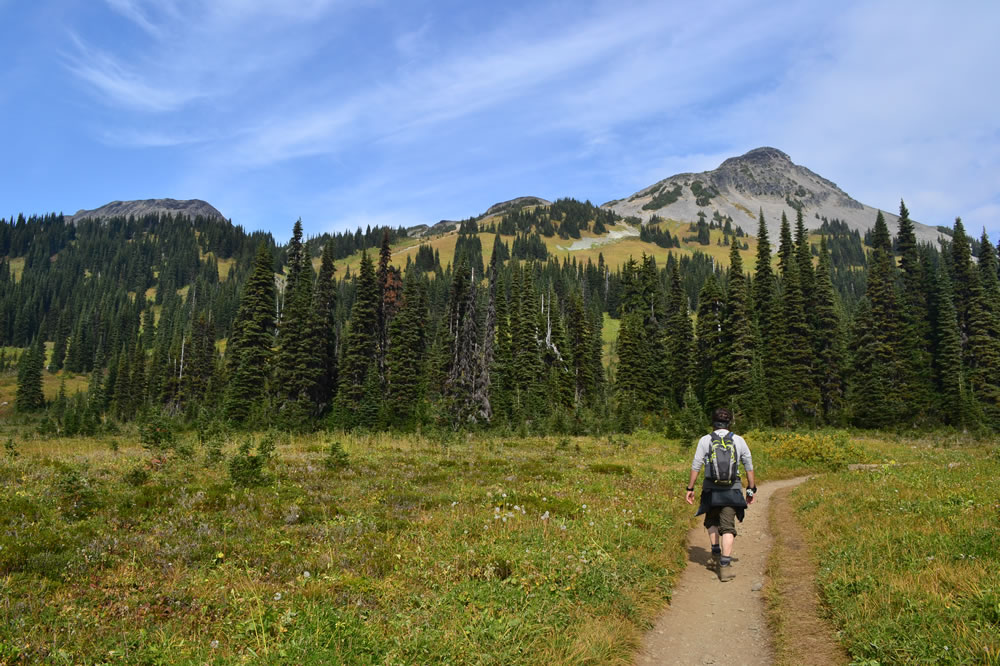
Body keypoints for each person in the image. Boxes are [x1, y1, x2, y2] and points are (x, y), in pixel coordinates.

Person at [684, 407, 756, 582]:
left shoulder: (705, 440)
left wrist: (690, 488)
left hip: (711, 489)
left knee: (711, 521)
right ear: (729, 422)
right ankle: (725, 566)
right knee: (728, 527)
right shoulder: (739, 440)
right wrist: (751, 488)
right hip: (732, 489)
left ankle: (715, 555)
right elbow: (748, 466)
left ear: (713, 422)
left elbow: (696, 465)